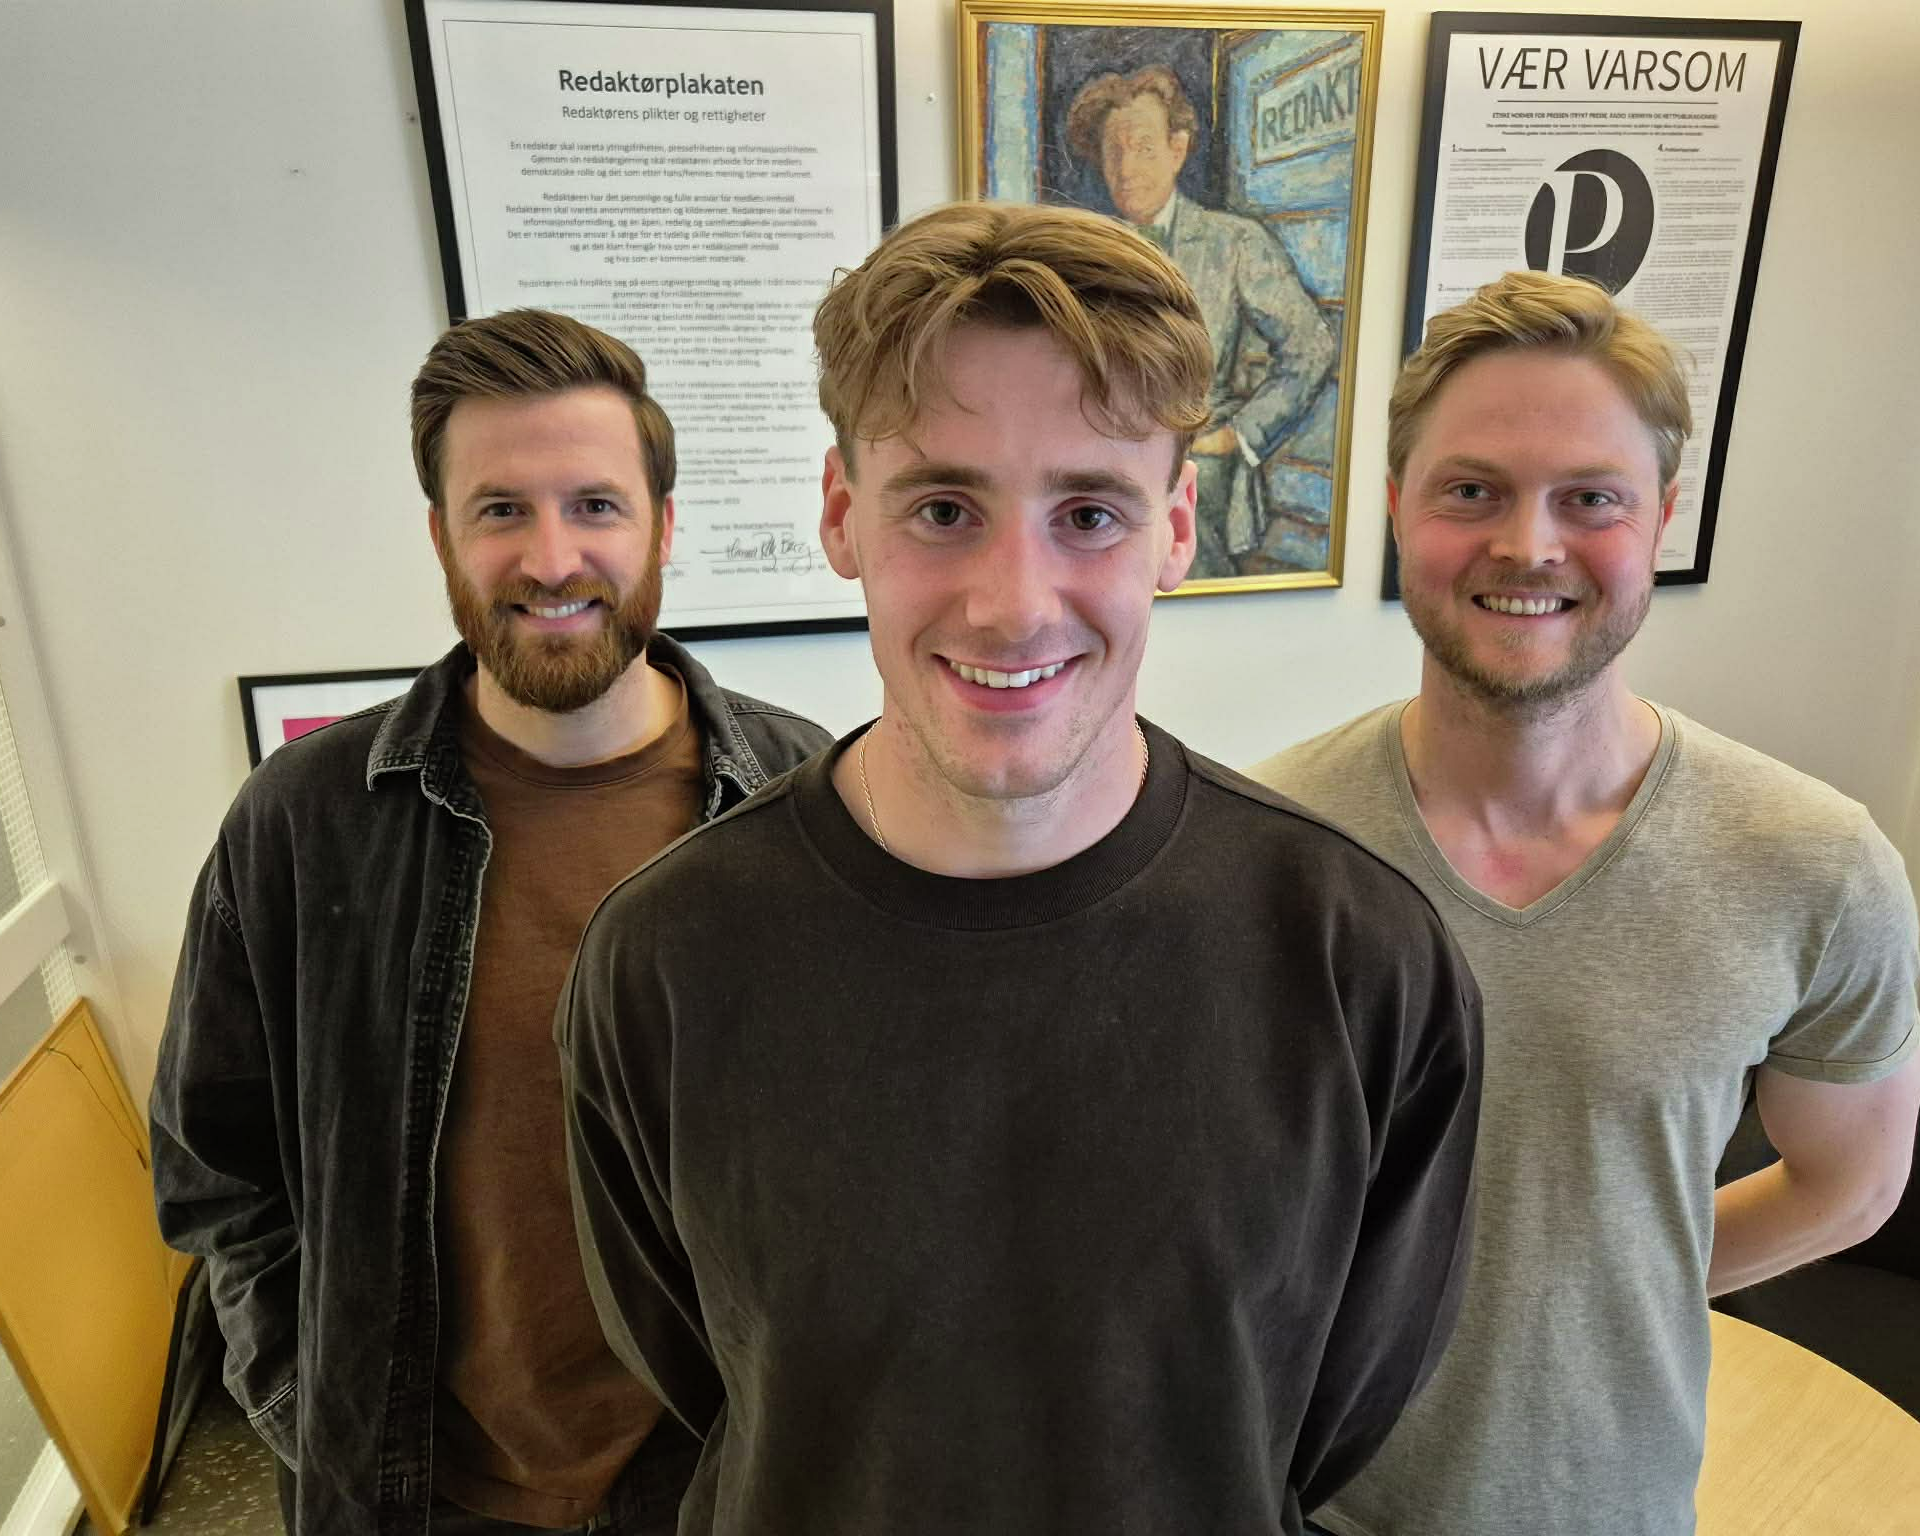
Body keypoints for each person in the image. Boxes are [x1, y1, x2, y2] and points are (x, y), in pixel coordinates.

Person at [556, 201, 1483, 1536]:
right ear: (842, 516)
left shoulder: (1356, 960)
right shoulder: (665, 957)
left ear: (1175, 530)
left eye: (1089, 513)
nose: (1013, 603)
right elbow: (707, 1376)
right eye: (943, 508)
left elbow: (1327, 1415)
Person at [1252, 269, 1920, 1536]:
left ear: (1660, 516)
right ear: (1395, 505)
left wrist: (1617, 1284)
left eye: (1589, 498)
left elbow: (1849, 1182)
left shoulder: (1812, 864)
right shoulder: (1268, 848)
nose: (1527, 544)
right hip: (1304, 1509)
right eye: (1470, 490)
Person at [149, 309, 830, 1535]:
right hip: (416, 1492)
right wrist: (307, 1404)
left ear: (664, 525)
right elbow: (213, 1171)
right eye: (501, 509)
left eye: (595, 505)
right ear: (442, 538)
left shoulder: (803, 803)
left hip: (723, 1484)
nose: (551, 558)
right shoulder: (302, 823)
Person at [1065, 63, 1335, 578]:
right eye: (1113, 151)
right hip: (1093, 484)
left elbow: (1311, 345)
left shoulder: (1233, 242)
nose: (1126, 168)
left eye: (1143, 147)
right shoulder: (1078, 252)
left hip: (1202, 479)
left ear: (1178, 149)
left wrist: (1239, 435)